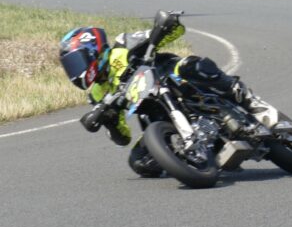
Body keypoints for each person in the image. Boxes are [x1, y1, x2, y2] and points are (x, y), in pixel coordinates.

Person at [58, 13, 274, 172]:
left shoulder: (123, 45)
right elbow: (123, 137)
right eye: (70, 66)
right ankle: (202, 152)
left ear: (93, 50)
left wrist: (164, 26)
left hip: (174, 80)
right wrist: (110, 122)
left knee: (192, 65)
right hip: (157, 115)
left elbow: (174, 32)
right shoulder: (97, 93)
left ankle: (245, 96)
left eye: (76, 61)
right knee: (140, 162)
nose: (75, 70)